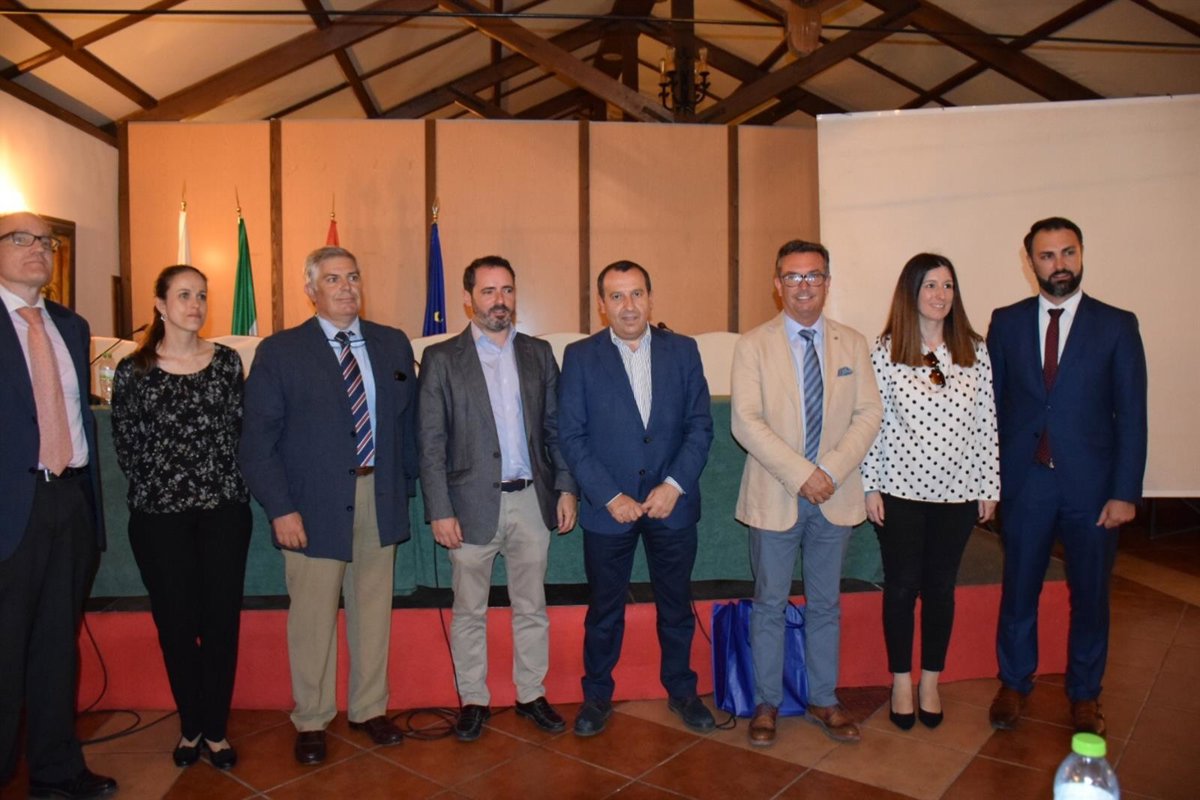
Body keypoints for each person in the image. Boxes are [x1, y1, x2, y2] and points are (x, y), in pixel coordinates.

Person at [239, 246, 418, 764]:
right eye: (333, 279)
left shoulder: (391, 342)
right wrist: (280, 508)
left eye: (353, 277)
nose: (346, 287)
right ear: (311, 290)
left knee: (372, 611)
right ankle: (313, 717)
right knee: (313, 617)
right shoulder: (281, 351)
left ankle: (369, 708)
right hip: (310, 506)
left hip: (378, 496)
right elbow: (257, 443)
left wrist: (403, 488)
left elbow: (407, 424)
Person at [987, 217, 1147, 737]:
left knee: (1091, 596)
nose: (1060, 264)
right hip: (1026, 484)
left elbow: (1132, 414)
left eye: (1068, 252)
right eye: (1047, 255)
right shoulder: (1006, 322)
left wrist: (1125, 492)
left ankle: (1085, 693)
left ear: (1081, 254)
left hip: (1093, 490)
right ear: (1030, 262)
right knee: (1019, 589)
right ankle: (1014, 683)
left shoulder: (1116, 324)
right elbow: (992, 410)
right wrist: (991, 482)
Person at [418, 256, 578, 741]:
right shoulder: (442, 359)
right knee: (469, 611)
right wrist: (439, 509)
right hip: (468, 506)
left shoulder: (539, 353)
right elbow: (431, 442)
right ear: (468, 299)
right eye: (488, 291)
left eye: (506, 290)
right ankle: (473, 699)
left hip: (531, 500)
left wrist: (566, 487)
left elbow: (556, 429)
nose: (499, 300)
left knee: (531, 606)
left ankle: (531, 694)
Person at [731, 239, 882, 747]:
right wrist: (802, 475)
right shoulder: (753, 345)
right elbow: (745, 422)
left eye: (813, 276)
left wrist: (830, 472)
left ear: (827, 283)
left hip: (835, 495)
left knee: (825, 604)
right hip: (776, 492)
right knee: (770, 602)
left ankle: (823, 698)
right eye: (793, 277)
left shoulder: (852, 343)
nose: (804, 286)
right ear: (777, 285)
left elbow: (869, 413)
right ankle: (766, 703)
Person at [558, 260, 716, 737]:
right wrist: (609, 495)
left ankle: (683, 691)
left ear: (650, 298)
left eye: (637, 294)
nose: (628, 305)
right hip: (610, 511)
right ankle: (596, 696)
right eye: (617, 296)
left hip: (672, 506)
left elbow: (699, 427)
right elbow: (572, 436)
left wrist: (673, 486)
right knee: (604, 612)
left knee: (676, 606)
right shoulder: (580, 356)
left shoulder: (683, 350)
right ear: (601, 305)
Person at [110, 265, 252, 770]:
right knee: (175, 625)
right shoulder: (133, 370)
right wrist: (168, 485)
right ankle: (190, 726)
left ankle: (215, 730)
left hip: (223, 515)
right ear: (160, 304)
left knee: (220, 625)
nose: (196, 304)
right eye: (185, 295)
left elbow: (240, 433)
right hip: (159, 520)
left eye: (202, 295)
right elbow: (126, 446)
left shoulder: (227, 363)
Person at [0, 212, 118, 799]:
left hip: (68, 499)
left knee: (56, 644)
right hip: (9, 508)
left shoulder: (71, 325)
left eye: (44, 242)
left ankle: (55, 770)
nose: (37, 250)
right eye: (20, 239)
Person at [861, 253, 999, 731]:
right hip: (899, 491)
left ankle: (930, 682)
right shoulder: (885, 350)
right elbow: (873, 425)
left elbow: (986, 422)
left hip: (958, 495)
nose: (941, 295)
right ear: (911, 292)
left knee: (940, 589)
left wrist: (988, 485)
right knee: (901, 588)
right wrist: (870, 485)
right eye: (931, 286)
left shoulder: (974, 350)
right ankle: (901, 680)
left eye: (948, 286)